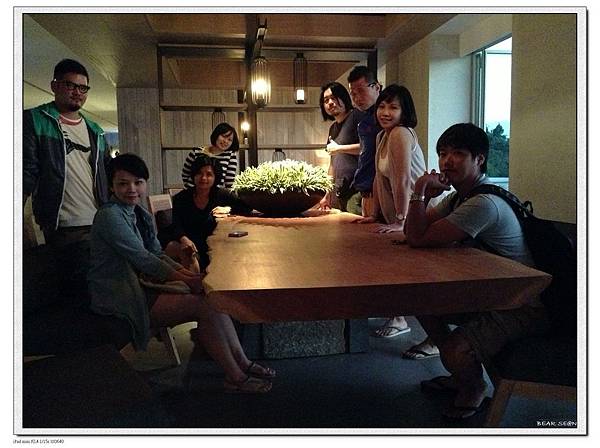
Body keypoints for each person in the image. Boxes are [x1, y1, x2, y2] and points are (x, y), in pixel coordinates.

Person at [88, 154, 275, 393]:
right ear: (111, 186)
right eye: (123, 183)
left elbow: (157, 253)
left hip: (143, 285)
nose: (132, 189)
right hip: (121, 295)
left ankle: (242, 361)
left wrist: (190, 277)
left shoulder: (139, 213)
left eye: (138, 182)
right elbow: (143, 259)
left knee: (212, 298)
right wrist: (189, 278)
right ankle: (235, 377)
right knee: (205, 306)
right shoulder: (110, 216)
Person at [404, 123, 550, 419]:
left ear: (479, 159)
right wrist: (426, 197)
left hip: (524, 303)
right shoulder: (460, 197)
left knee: (454, 349)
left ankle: (472, 386)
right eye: (443, 153)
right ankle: (463, 375)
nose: (447, 161)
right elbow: (413, 232)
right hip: (495, 294)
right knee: (420, 303)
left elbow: (418, 238)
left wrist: (419, 188)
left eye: (458, 153)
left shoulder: (483, 203)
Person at [23, 58, 110, 297]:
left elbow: (107, 173)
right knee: (74, 291)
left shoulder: (95, 130)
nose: (77, 92)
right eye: (70, 85)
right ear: (54, 86)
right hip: (62, 224)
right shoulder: (35, 120)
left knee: (98, 287)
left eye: (83, 88)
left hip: (99, 221)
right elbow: (26, 171)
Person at [354, 84, 426, 338]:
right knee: (388, 263)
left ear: (404, 112)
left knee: (403, 268)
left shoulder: (401, 134)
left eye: (393, 107)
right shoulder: (382, 136)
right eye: (382, 106)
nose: (385, 112)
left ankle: (400, 318)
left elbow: (403, 179)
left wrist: (401, 220)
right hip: (401, 212)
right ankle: (394, 313)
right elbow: (378, 177)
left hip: (419, 211)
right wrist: (373, 214)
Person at [160, 154, 252, 273]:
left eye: (209, 174)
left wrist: (228, 211)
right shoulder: (181, 198)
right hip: (190, 245)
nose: (203, 178)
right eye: (199, 173)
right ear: (193, 175)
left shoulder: (223, 195)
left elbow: (246, 209)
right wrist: (184, 239)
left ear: (215, 177)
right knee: (182, 250)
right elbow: (176, 225)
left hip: (217, 246)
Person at [317, 82, 364, 213]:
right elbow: (332, 164)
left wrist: (339, 148)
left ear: (344, 97)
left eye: (334, 98)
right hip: (339, 191)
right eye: (326, 100)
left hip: (356, 191)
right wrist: (327, 194)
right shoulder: (333, 128)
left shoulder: (357, 117)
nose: (330, 103)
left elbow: (368, 147)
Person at [347, 66, 381, 218]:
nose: (357, 98)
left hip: (380, 189)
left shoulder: (383, 120)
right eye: (353, 94)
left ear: (376, 87)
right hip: (367, 188)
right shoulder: (365, 119)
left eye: (361, 91)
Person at [182, 122, 240, 190]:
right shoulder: (196, 152)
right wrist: (190, 189)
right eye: (224, 136)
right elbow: (185, 174)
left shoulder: (231, 156)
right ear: (216, 134)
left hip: (215, 194)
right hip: (192, 192)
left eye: (229, 140)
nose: (225, 141)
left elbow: (229, 183)